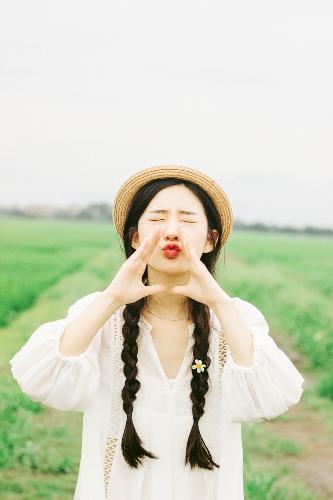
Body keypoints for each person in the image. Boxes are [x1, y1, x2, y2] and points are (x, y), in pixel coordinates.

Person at [9, 164, 305, 500]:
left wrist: (220, 303)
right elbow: (41, 379)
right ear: (135, 237)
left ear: (210, 240)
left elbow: (269, 397)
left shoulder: (236, 319)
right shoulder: (101, 314)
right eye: (158, 218)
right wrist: (111, 298)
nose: (172, 230)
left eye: (188, 220)